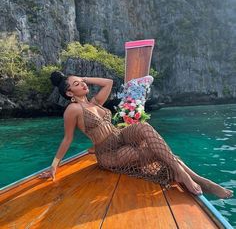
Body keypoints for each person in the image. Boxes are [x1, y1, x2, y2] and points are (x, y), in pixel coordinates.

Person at [39, 71, 233, 199]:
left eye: (81, 82)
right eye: (76, 84)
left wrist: (83, 77)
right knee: (155, 153)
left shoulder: (95, 102)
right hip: (109, 153)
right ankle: (199, 179)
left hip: (120, 136)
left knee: (144, 127)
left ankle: (182, 174)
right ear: (69, 92)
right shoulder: (72, 110)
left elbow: (109, 83)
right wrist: (54, 166)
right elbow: (67, 139)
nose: (82, 84)